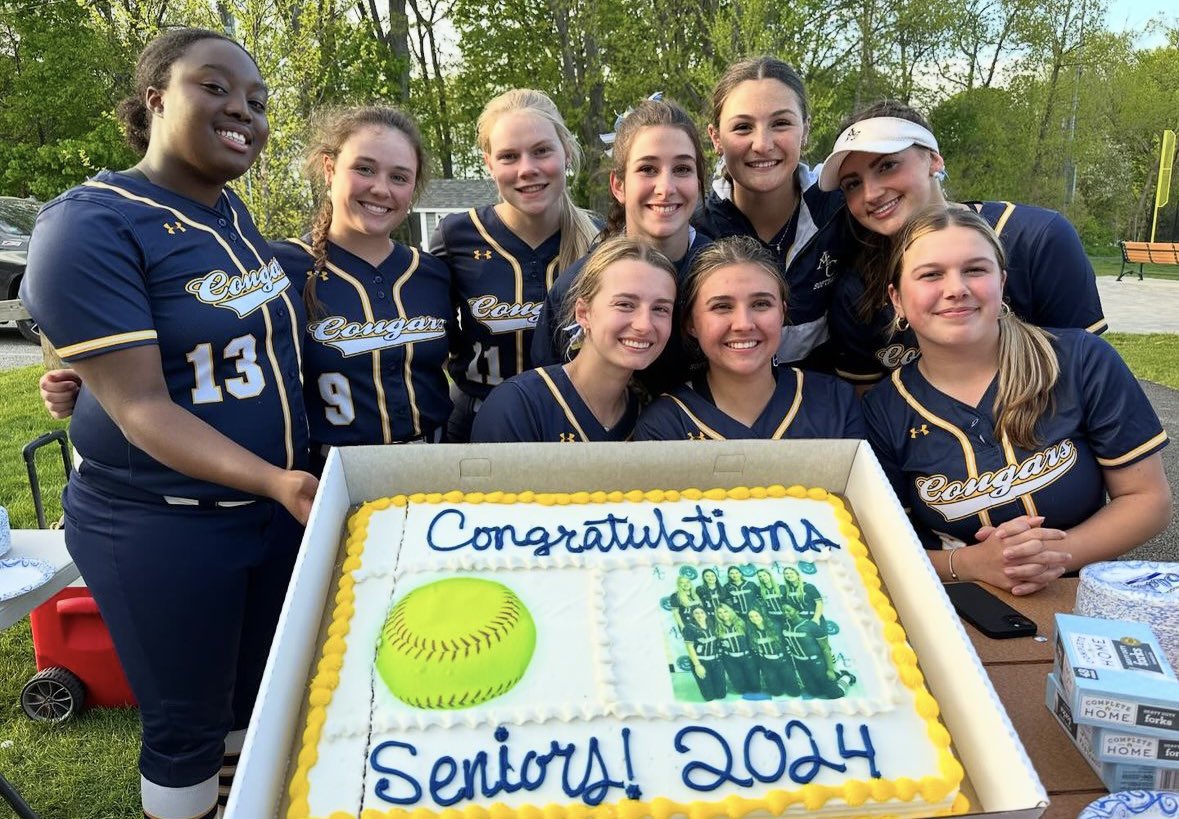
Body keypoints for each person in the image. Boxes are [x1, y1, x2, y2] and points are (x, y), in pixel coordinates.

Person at [19, 28, 316, 819]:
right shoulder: (89, 222)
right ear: (155, 98)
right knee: (187, 726)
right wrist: (276, 477)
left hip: (266, 514)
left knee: (258, 703)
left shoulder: (229, 211)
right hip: (161, 523)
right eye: (214, 87)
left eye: (256, 100)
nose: (241, 111)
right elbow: (142, 406)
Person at [862, 206, 1172, 595]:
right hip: (959, 606)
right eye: (931, 275)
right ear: (898, 299)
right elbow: (883, 549)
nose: (956, 288)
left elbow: (1148, 499)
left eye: (975, 270)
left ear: (1002, 282)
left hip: (1082, 593)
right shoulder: (883, 409)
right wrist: (969, 564)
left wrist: (1054, 554)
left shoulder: (1080, 360)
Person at [818, 100, 1107, 386]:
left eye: (887, 166)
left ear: (934, 160)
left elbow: (1086, 377)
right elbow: (869, 406)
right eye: (853, 184)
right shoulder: (859, 286)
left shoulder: (1038, 237)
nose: (871, 194)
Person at [270, 106, 452, 469]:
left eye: (399, 177)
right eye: (364, 169)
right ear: (329, 169)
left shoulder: (432, 272)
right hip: (331, 474)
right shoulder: (281, 268)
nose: (381, 189)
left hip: (438, 467)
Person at [432, 89, 598, 441]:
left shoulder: (601, 240)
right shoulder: (457, 235)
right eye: (509, 156)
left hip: (575, 426)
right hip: (477, 423)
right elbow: (432, 341)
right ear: (489, 163)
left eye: (541, 151)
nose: (527, 169)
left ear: (566, 152)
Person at [532, 96, 712, 393]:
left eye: (682, 169)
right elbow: (551, 396)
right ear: (618, 185)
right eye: (647, 169)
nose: (666, 188)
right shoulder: (577, 286)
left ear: (698, 180)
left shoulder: (725, 278)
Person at [693, 56, 850, 369]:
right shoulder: (695, 231)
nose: (762, 144)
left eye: (780, 123)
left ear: (805, 131)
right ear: (716, 139)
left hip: (828, 406)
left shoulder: (843, 209)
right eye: (742, 127)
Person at [634, 237, 865, 440]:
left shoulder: (835, 402)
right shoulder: (666, 425)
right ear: (691, 323)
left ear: (782, 313)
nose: (744, 324)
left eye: (761, 304)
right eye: (722, 306)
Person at [470, 236, 675, 442]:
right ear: (583, 313)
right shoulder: (518, 406)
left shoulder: (653, 420)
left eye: (660, 309)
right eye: (625, 304)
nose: (644, 325)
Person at [746, 608, 794, 697]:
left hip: (782, 660)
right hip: (766, 662)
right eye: (751, 617)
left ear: (762, 615)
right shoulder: (751, 631)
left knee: (794, 693)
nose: (754, 618)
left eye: (756, 615)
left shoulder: (776, 626)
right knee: (776, 693)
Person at [682, 606, 726, 701]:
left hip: (716, 661)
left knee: (721, 695)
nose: (699, 615)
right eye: (696, 613)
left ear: (706, 614)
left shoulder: (712, 624)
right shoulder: (689, 628)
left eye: (701, 612)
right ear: (692, 615)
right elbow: (689, 647)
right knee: (709, 697)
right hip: (701, 661)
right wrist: (697, 665)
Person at [713, 602, 758, 695]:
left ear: (730, 611)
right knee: (741, 690)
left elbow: (751, 639)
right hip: (730, 659)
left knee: (755, 688)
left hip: (746, 656)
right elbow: (718, 645)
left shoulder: (741, 622)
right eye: (720, 613)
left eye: (725, 611)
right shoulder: (717, 627)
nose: (723, 614)